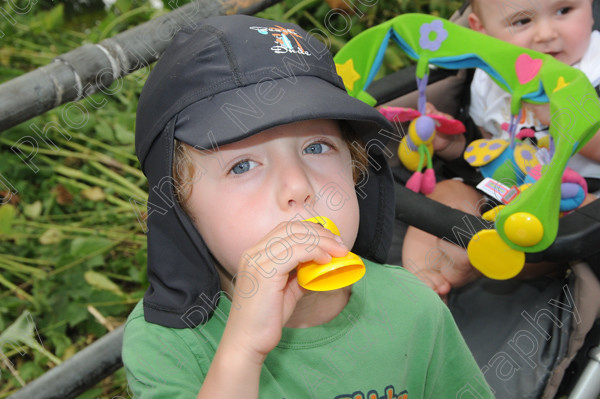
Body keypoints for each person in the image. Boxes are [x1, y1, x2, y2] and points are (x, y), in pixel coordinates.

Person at [121, 14, 493, 399]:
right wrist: (243, 351)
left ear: (356, 167)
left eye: (316, 147)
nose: (298, 186)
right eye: (242, 165)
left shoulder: (414, 307)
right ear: (180, 211)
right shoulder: (169, 347)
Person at [402, 0, 600, 299]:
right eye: (522, 22)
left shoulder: (594, 69)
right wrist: (453, 146)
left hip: (575, 200)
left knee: (583, 219)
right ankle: (420, 282)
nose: (546, 34)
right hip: (505, 192)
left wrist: (557, 113)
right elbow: (488, 153)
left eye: (564, 11)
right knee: (443, 197)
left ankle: (474, 260)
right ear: (481, 31)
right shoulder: (488, 78)